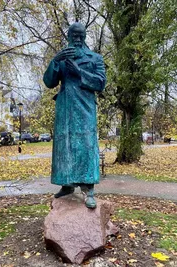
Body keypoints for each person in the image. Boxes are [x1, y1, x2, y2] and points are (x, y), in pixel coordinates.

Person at [43, 22, 106, 209]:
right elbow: (49, 82)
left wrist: (79, 72)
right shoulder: (62, 57)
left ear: (85, 36)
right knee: (65, 146)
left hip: (85, 108)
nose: (77, 39)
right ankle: (67, 184)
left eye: (81, 35)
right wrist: (55, 61)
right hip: (65, 108)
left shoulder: (94, 58)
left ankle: (88, 189)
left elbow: (101, 83)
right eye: (74, 35)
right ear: (69, 36)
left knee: (86, 146)